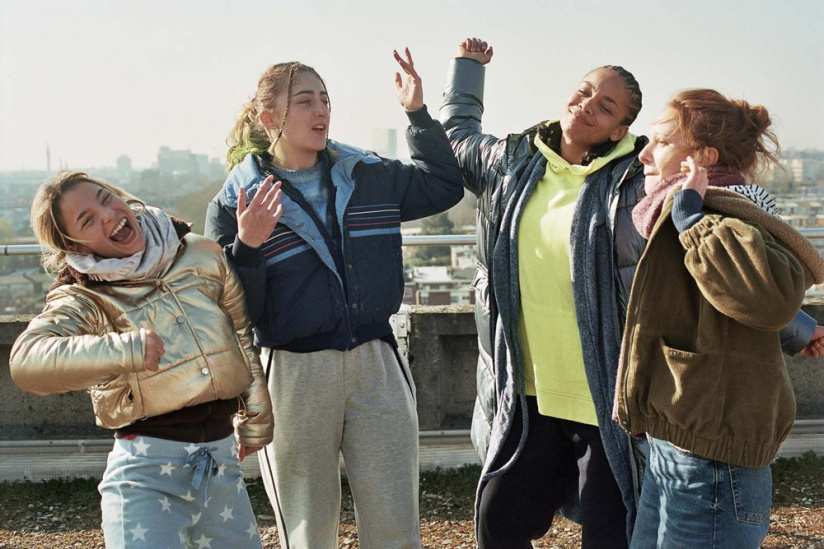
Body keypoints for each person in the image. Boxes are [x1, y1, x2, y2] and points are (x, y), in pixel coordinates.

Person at [204, 50, 463, 549]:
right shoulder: (236, 202)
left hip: (377, 363)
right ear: (269, 118)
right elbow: (231, 312)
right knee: (309, 528)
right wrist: (248, 246)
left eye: (325, 99)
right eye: (305, 101)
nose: (321, 110)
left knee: (395, 525)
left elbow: (444, 186)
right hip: (293, 373)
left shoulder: (368, 174)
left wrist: (417, 113)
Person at [439, 37, 648, 548]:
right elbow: (457, 139)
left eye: (606, 106)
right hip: (527, 392)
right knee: (497, 523)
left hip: (605, 400)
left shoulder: (639, 180)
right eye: (584, 91)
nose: (587, 105)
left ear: (620, 130)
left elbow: (701, 251)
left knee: (610, 534)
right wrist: (468, 68)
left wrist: (791, 326)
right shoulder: (514, 162)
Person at [10, 172, 273, 548]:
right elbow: (26, 361)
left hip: (221, 466)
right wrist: (123, 350)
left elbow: (241, 335)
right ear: (72, 245)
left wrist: (257, 416)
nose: (107, 214)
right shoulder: (82, 296)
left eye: (105, 198)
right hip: (145, 477)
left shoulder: (201, 252)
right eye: (87, 220)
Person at [614, 89, 824, 548]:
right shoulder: (695, 209)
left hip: (710, 455)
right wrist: (801, 329)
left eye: (661, 142)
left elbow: (767, 293)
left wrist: (692, 219)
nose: (644, 154)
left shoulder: (718, 211)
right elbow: (718, 300)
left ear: (704, 158)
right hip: (678, 437)